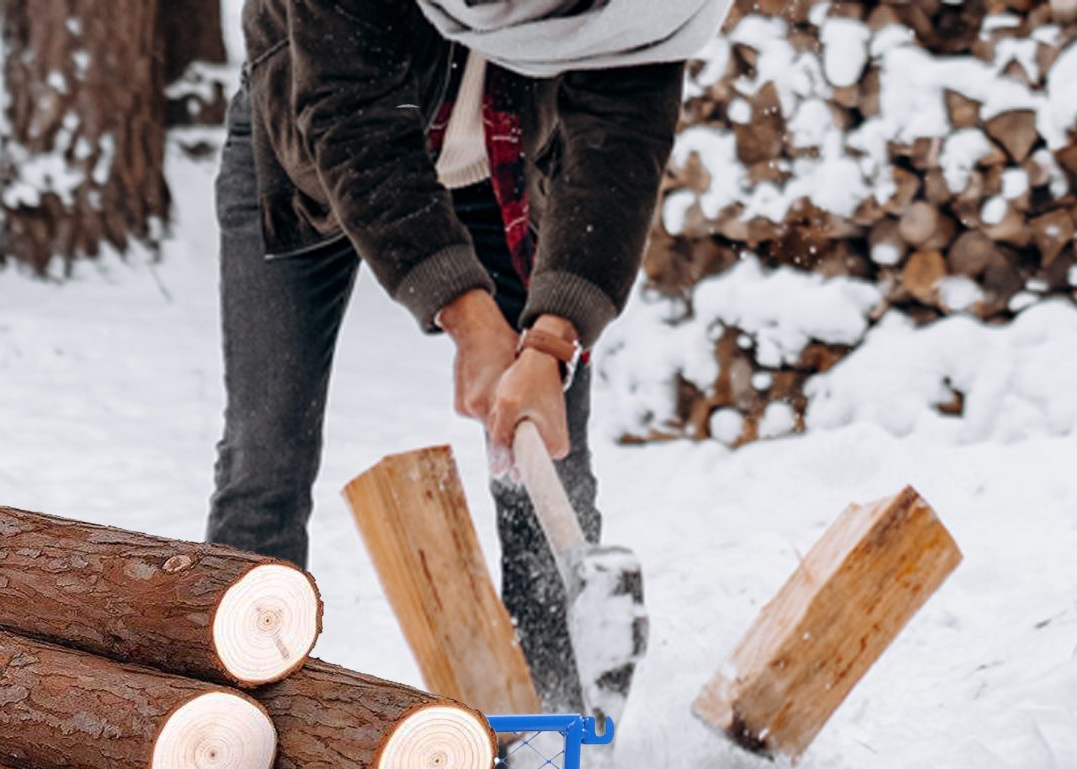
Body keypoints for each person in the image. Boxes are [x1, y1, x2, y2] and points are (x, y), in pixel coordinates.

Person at [206, 0, 725, 709]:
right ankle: (235, 717)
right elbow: (353, 116)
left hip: (500, 169)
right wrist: (466, 313)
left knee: (546, 453)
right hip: (312, 150)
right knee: (265, 458)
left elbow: (620, 135)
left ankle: (552, 734)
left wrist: (551, 338)